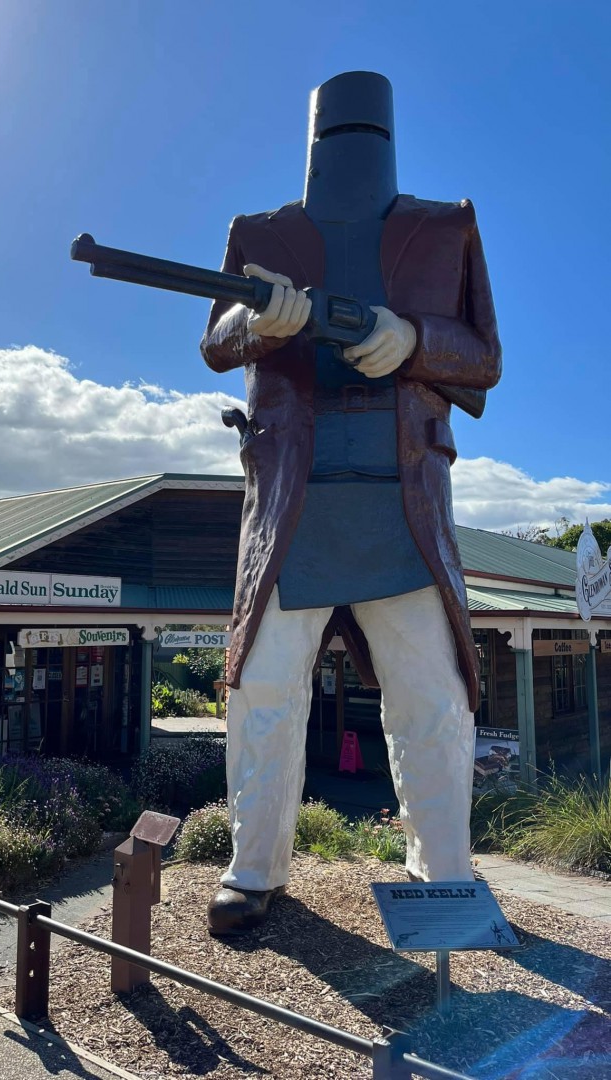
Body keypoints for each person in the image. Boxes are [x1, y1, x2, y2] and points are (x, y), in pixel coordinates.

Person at [200, 71, 501, 936]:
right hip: (291, 503)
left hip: (404, 502)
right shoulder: (257, 234)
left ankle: (444, 873)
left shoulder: (447, 226)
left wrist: (411, 339)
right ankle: (253, 869)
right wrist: (260, 321)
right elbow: (216, 340)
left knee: (432, 695)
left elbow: (483, 357)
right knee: (264, 688)